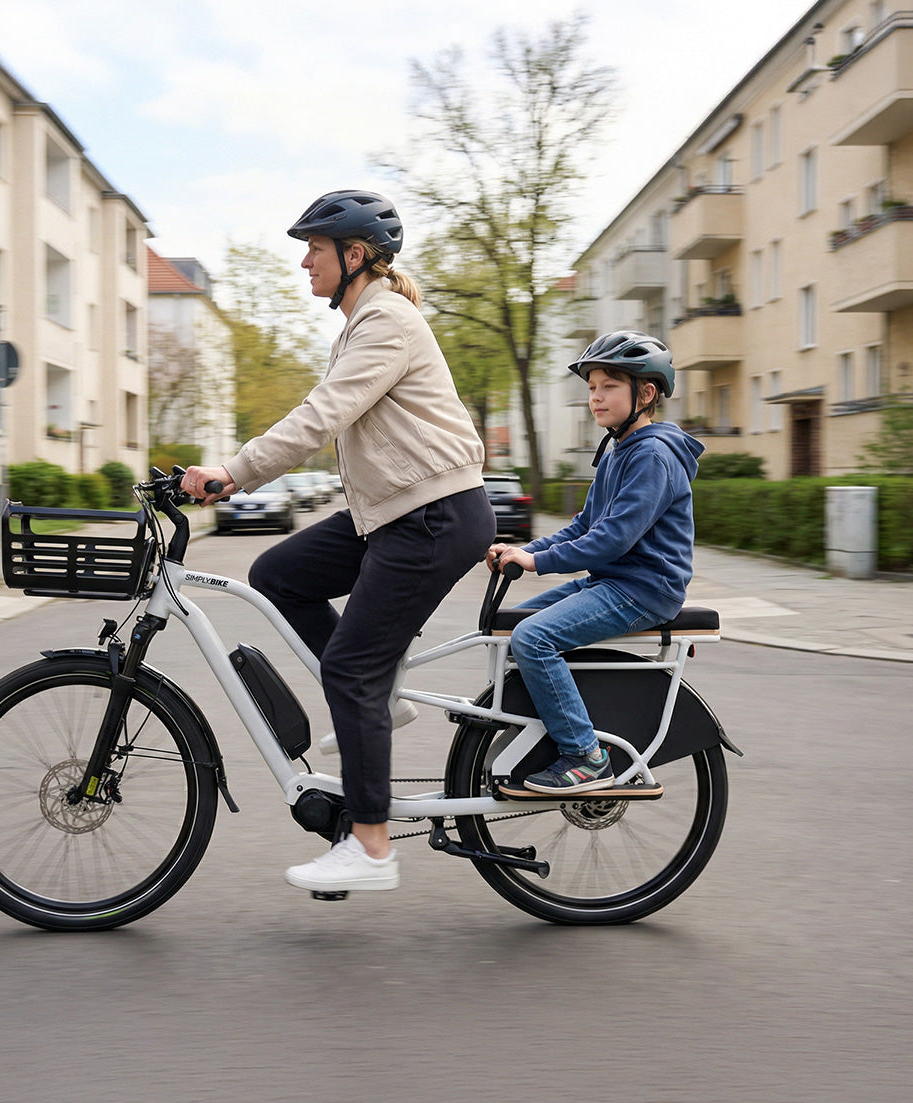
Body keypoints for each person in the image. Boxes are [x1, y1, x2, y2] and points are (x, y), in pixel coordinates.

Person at [182, 190, 493, 893]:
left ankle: (372, 846)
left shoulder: (386, 320)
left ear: (355, 256)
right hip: (393, 513)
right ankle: (384, 701)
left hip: (433, 515)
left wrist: (234, 471)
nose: (303, 262)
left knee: (351, 668)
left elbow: (323, 415)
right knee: (280, 572)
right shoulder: (364, 322)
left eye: (314, 250)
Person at [488, 331, 703, 795]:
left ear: (645, 394)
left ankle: (586, 756)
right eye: (591, 387)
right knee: (513, 625)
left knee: (534, 637)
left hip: (645, 589)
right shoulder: (617, 452)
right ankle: (547, 727)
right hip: (614, 582)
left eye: (608, 386)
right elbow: (584, 526)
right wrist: (522, 550)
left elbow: (610, 540)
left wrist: (538, 562)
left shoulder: (653, 455)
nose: (595, 397)